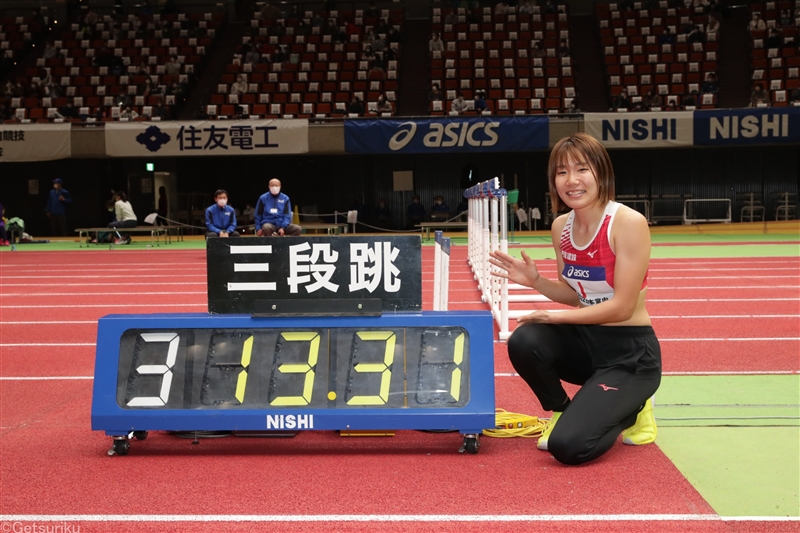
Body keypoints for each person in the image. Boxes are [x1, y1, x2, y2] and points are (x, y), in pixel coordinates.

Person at [488, 133, 661, 466]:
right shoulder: (560, 227)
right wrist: (536, 282)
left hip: (631, 354)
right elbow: (575, 294)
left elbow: (622, 308)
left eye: (582, 169)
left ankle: (634, 406)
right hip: (589, 344)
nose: (572, 180)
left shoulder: (627, 223)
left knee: (568, 448)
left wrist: (556, 318)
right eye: (562, 172)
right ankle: (562, 411)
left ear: (602, 173)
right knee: (525, 340)